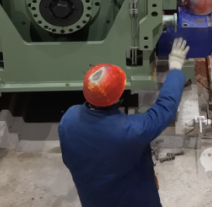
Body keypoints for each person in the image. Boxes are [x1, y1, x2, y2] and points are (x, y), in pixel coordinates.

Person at [59, 38, 190, 207]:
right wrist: (176, 68)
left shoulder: (68, 119)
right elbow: (165, 109)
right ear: (117, 98)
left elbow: (68, 159)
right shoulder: (131, 131)